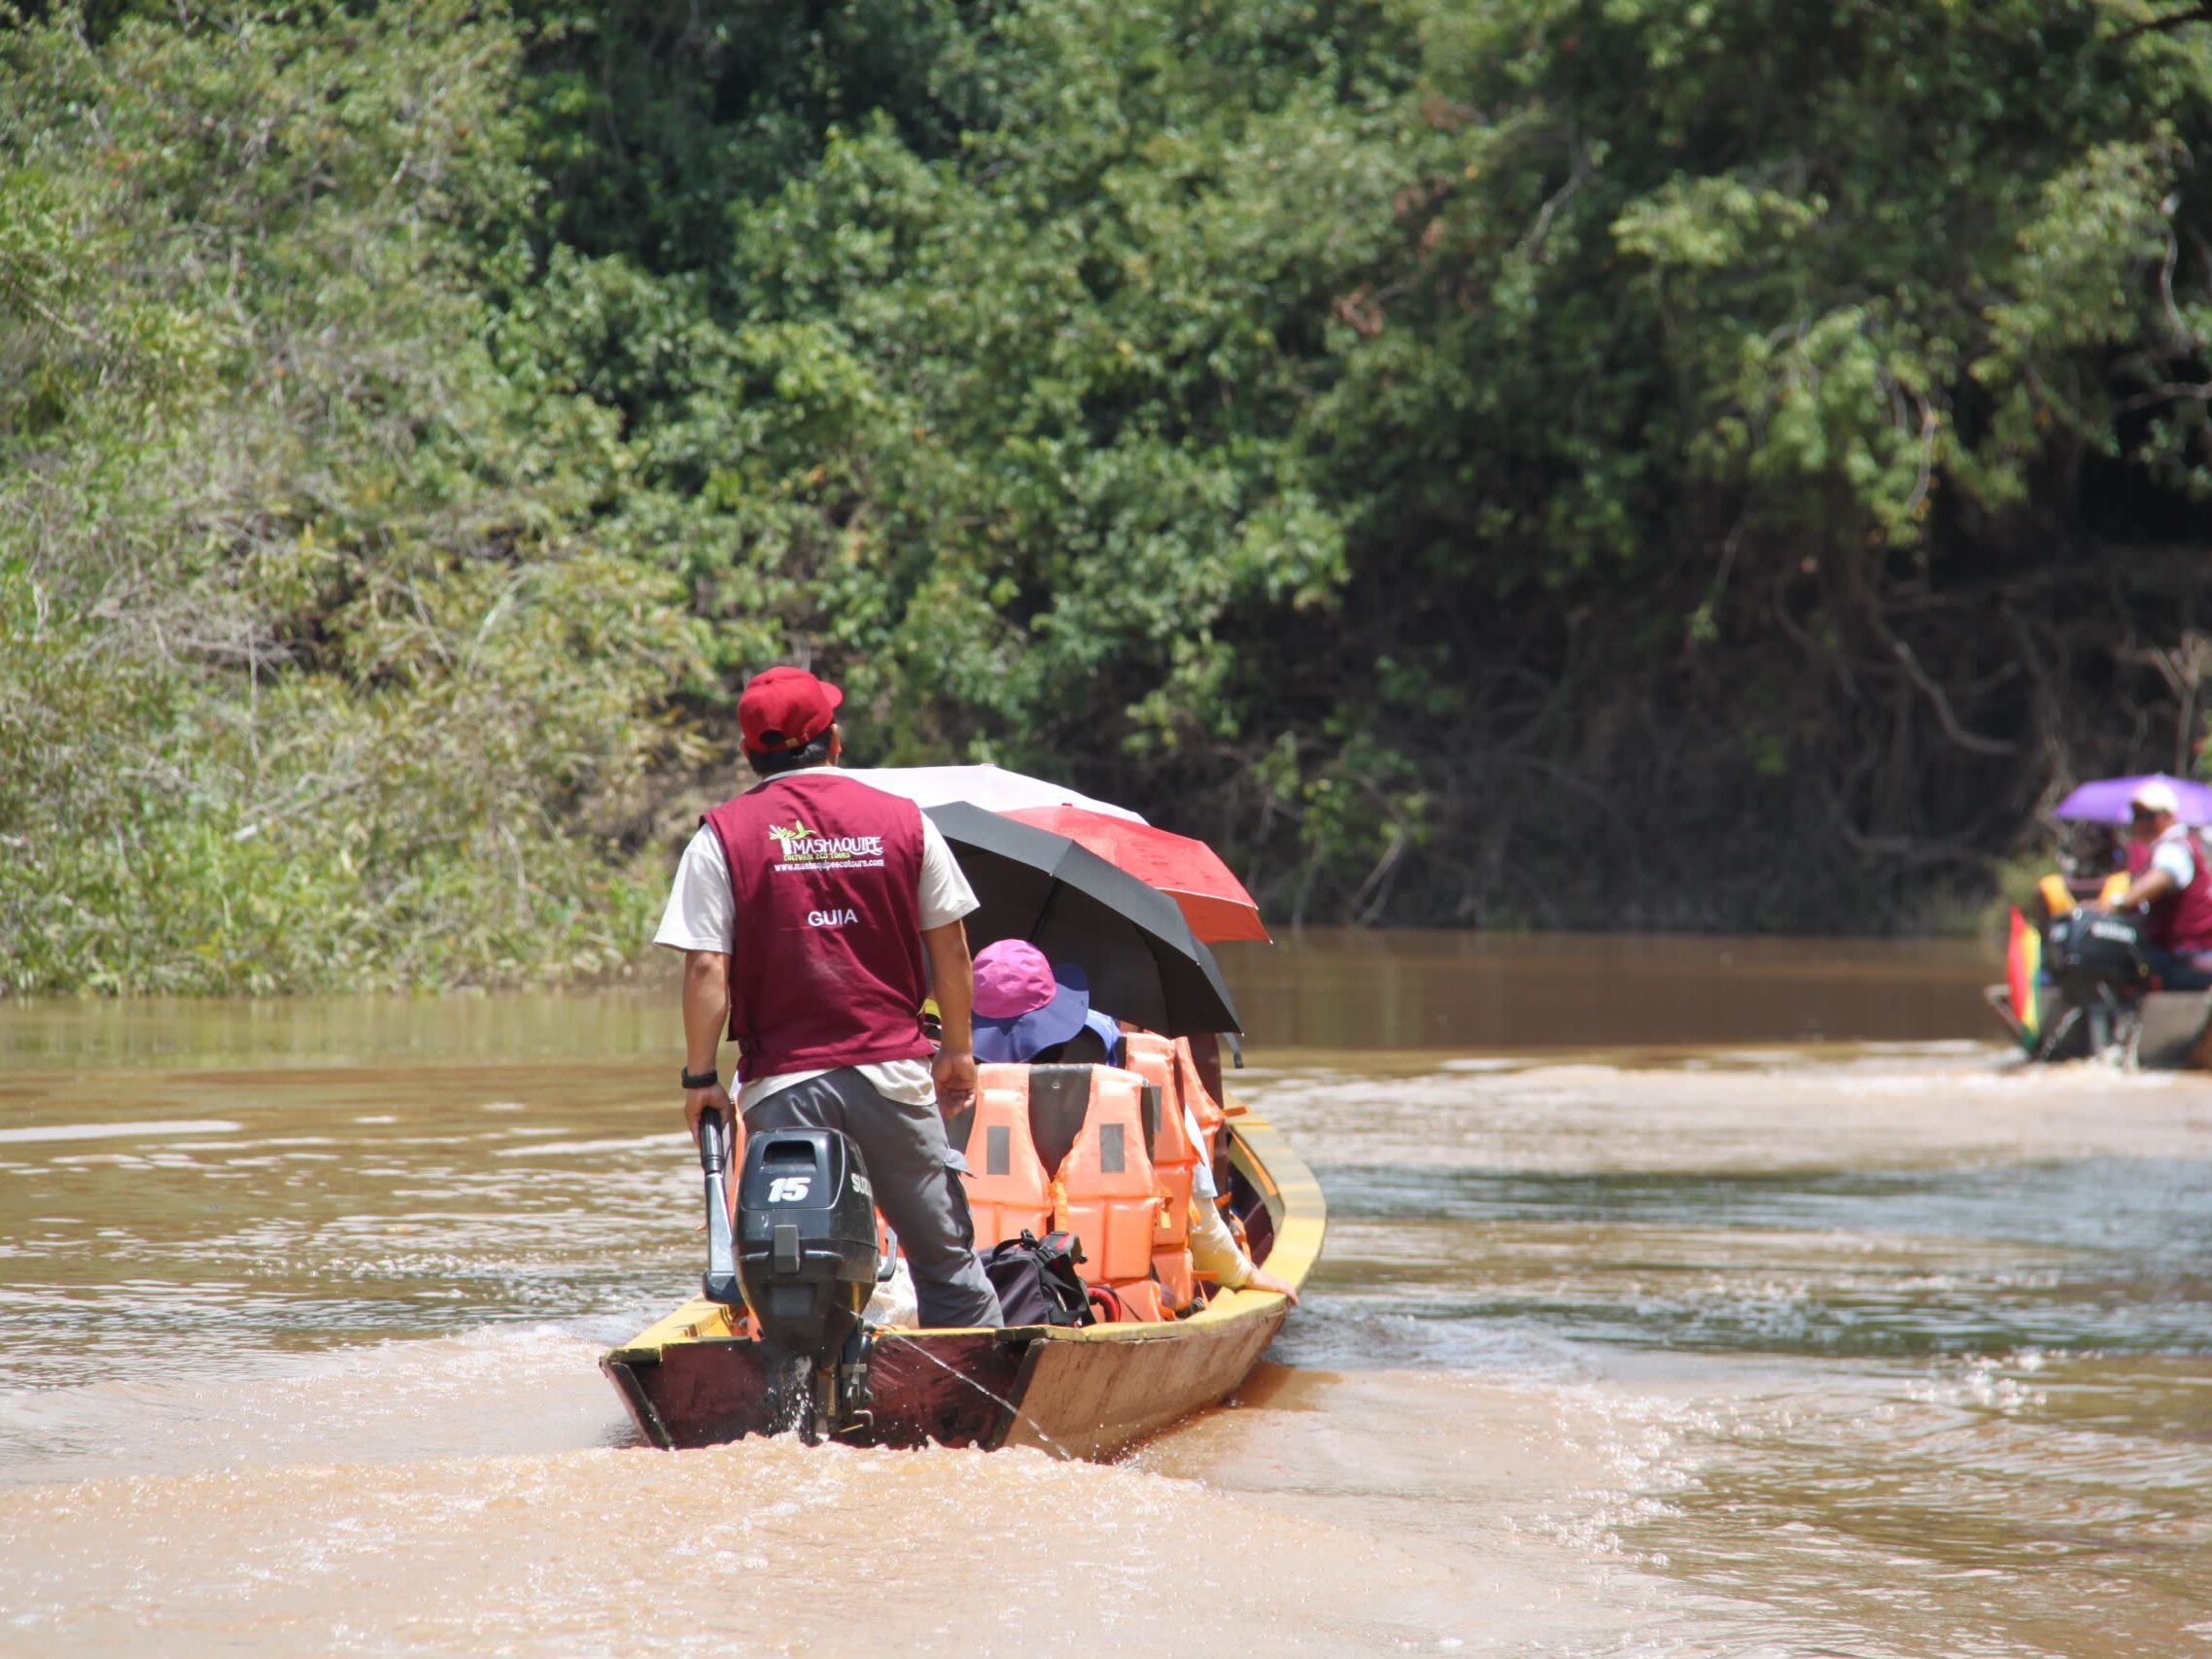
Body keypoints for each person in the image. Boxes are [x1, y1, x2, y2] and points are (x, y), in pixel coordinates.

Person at [655, 665, 1003, 1329]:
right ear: (835, 740)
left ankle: (798, 1402)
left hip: (784, 1086)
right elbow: (952, 949)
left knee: (797, 1265)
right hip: (894, 1078)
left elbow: (706, 968)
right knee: (948, 1267)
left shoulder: (719, 838)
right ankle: (977, 1416)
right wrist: (957, 1049)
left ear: (749, 754)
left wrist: (701, 1080)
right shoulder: (906, 823)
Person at [969, 941, 1297, 1303]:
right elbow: (1201, 1222)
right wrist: (1244, 1274)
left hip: (986, 1295)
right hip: (1110, 1302)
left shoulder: (942, 1107)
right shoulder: (1129, 1092)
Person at [2097, 779, 2212, 991]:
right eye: (2137, 817)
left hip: (2185, 952)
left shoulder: (2174, 849)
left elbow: (2162, 877)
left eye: (2149, 816)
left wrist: (2118, 903)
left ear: (2169, 817)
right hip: (2174, 951)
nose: (2142, 824)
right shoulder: (2158, 849)